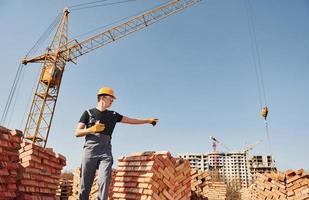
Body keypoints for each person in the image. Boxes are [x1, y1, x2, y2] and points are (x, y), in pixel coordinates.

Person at [75, 86, 158, 200]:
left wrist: (147, 120)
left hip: (105, 152)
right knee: (85, 184)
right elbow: (77, 132)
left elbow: (131, 120)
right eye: (111, 98)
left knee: (104, 180)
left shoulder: (113, 115)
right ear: (103, 98)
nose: (112, 101)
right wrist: (92, 129)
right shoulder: (88, 113)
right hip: (90, 151)